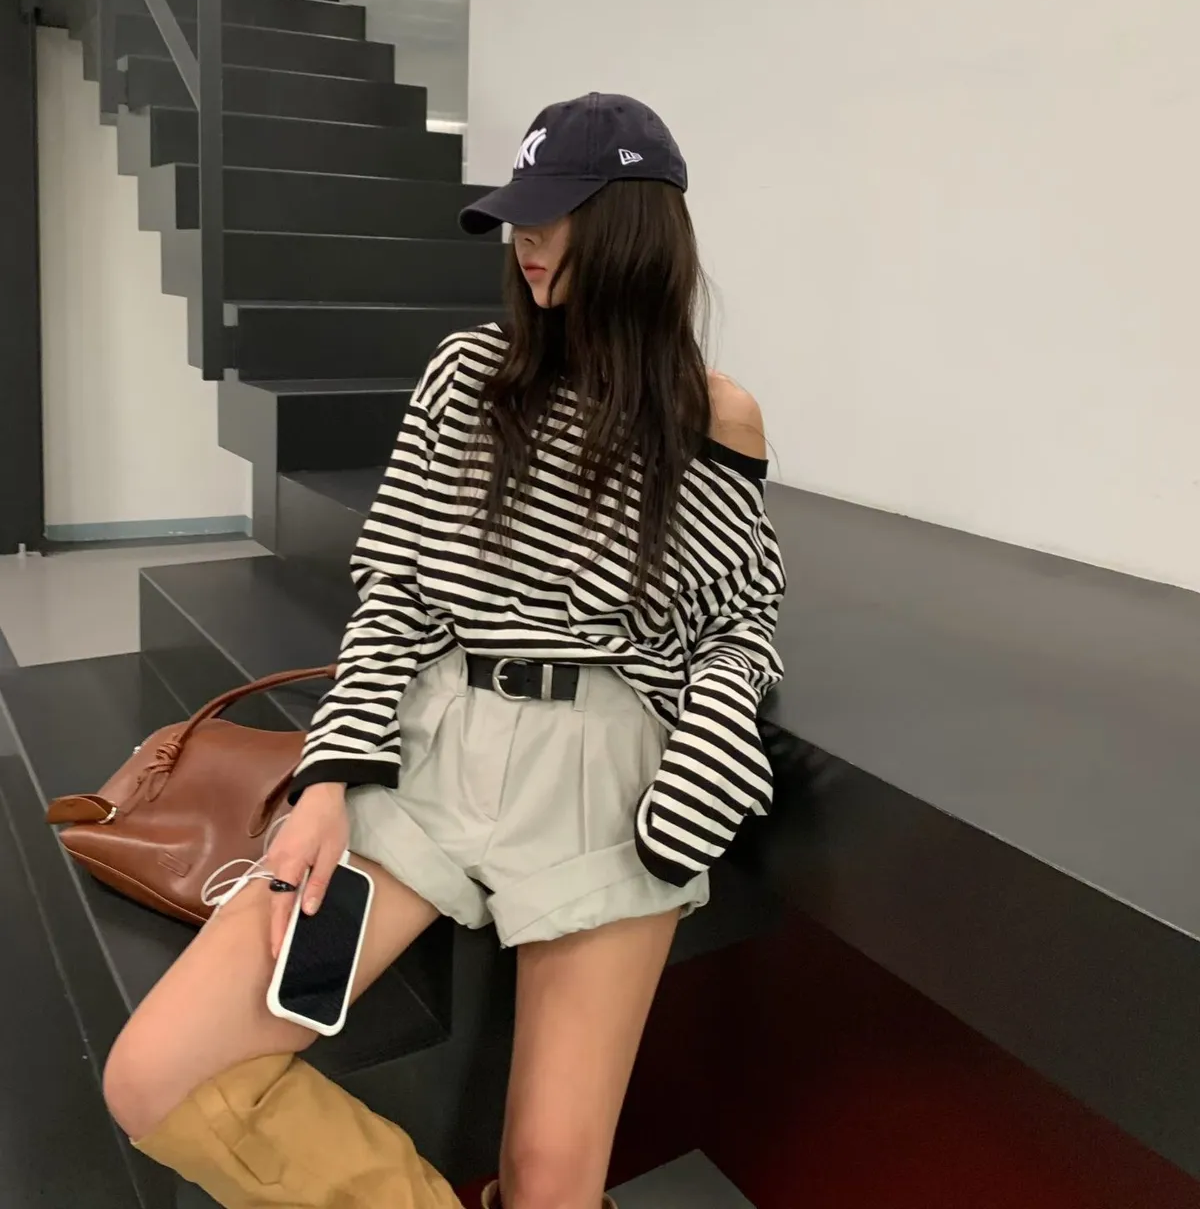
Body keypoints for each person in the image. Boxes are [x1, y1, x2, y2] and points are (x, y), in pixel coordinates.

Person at [102, 93, 787, 1209]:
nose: (525, 241)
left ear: (634, 226)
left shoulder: (714, 416)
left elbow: (738, 618)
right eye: (518, 216)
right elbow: (397, 592)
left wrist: (708, 755)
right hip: (433, 743)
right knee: (154, 1075)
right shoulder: (468, 375)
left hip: (606, 775)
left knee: (553, 1182)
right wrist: (328, 780)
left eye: (555, 215)